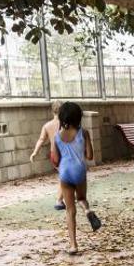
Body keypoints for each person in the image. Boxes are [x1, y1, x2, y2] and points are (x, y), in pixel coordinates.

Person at [49, 101, 101, 255]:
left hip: (64, 173)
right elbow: (90, 156)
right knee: (82, 198)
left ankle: (73, 245)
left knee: (70, 210)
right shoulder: (83, 133)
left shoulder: (56, 136)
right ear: (78, 117)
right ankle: (87, 210)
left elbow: (55, 160)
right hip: (79, 171)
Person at [30, 100, 65, 210]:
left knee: (64, 176)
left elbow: (41, 139)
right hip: (65, 154)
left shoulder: (47, 125)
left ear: (52, 111)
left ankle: (62, 199)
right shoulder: (66, 124)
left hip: (53, 154)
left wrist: (35, 152)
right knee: (65, 178)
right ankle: (59, 201)